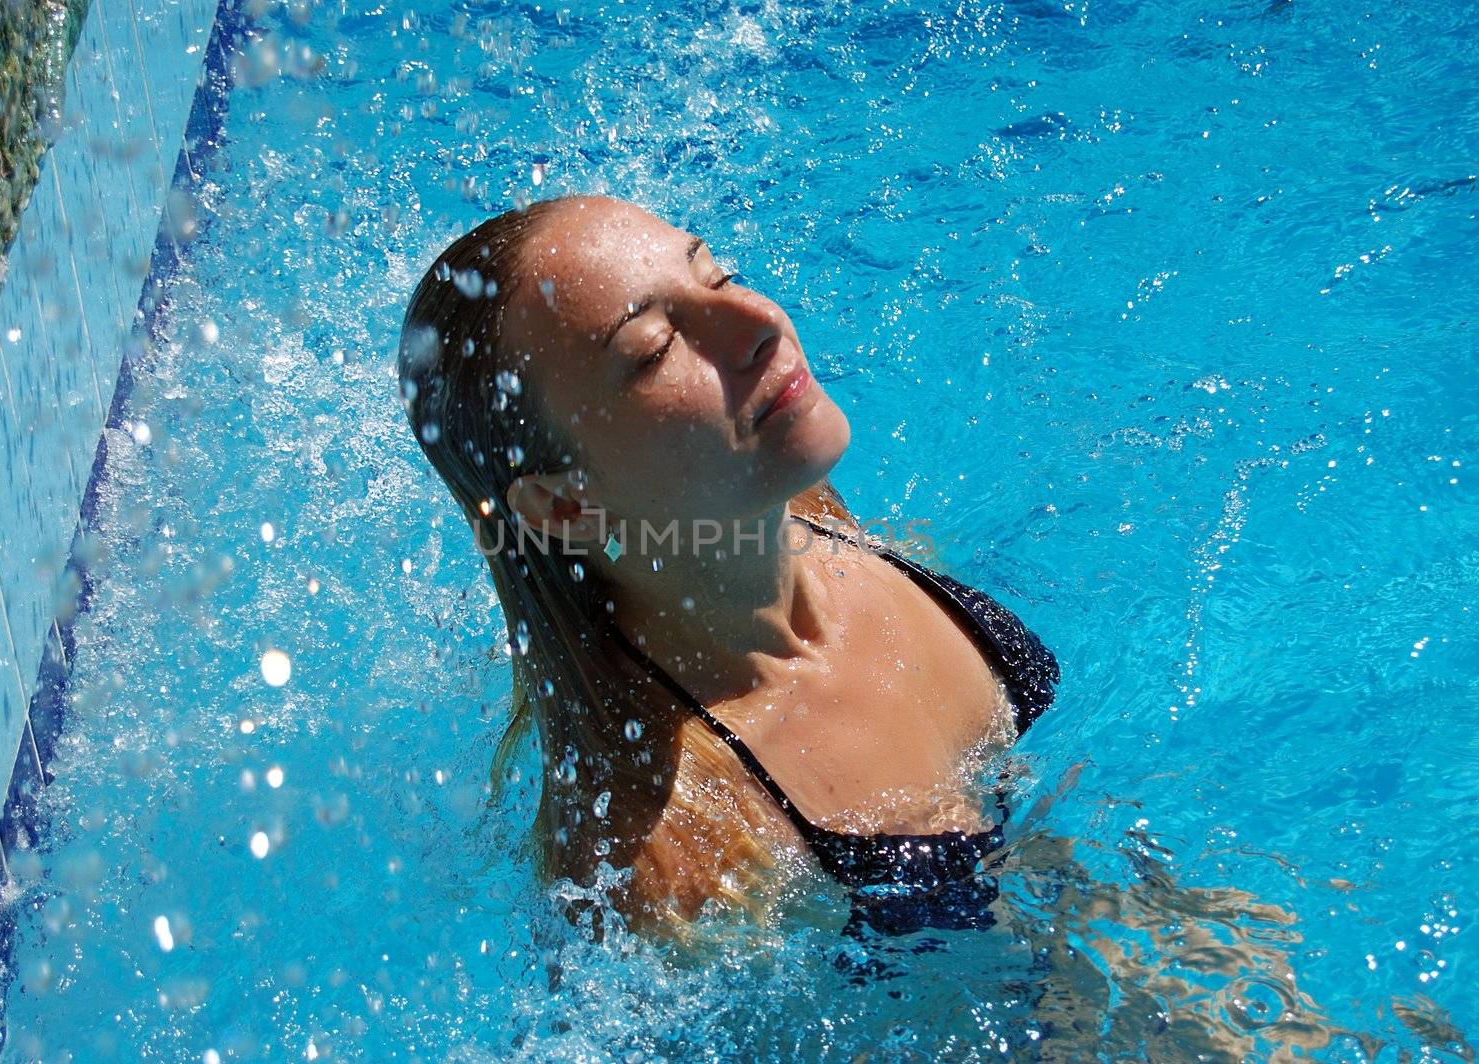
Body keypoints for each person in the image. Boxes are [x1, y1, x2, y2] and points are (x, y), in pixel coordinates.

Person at [395, 193, 1059, 939]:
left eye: (713, 275)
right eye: (653, 349)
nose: (760, 323)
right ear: (566, 507)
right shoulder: (671, 857)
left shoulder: (799, 499)